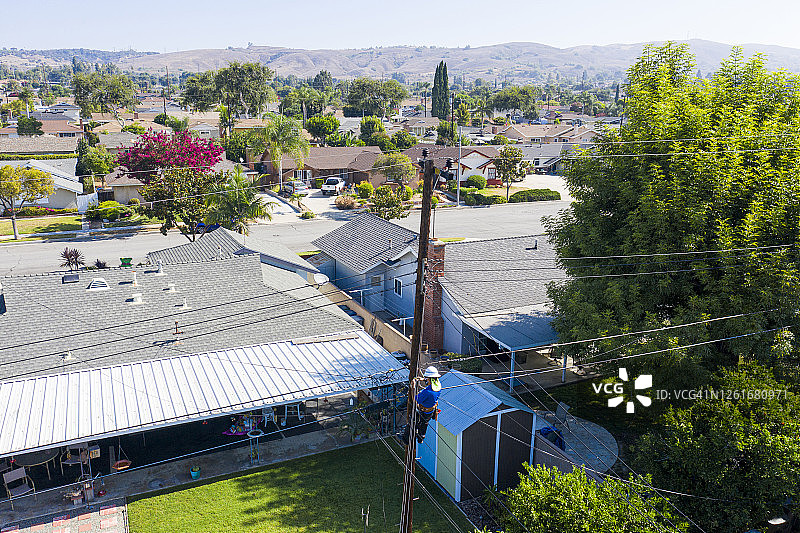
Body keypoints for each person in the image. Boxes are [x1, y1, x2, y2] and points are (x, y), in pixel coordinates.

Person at [401, 366, 442, 445]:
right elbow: (432, 381)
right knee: (424, 424)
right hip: (431, 411)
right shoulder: (438, 386)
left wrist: (412, 388)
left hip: (422, 411)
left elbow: (415, 400)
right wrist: (422, 379)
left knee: (412, 424)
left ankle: (406, 440)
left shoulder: (427, 392)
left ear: (429, 379)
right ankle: (421, 438)